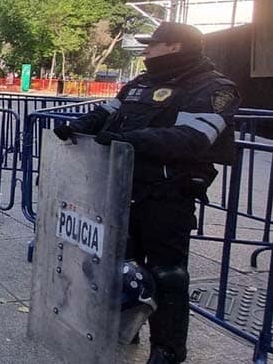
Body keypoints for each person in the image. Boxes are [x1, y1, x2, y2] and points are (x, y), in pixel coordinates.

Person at [53, 22, 240, 364]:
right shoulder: (141, 83)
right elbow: (107, 112)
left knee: (167, 272)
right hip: (123, 187)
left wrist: (131, 140)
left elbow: (192, 139)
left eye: (153, 44)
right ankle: (126, 328)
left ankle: (167, 349)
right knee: (120, 264)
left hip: (168, 194)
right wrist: (78, 127)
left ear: (175, 46)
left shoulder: (212, 87)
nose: (147, 50)